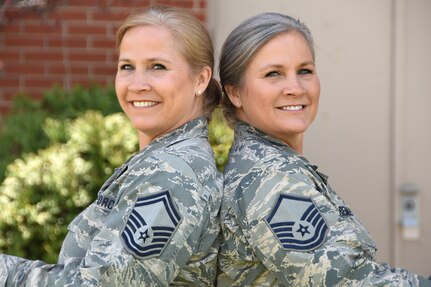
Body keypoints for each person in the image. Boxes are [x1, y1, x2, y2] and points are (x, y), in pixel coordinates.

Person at [0, 6, 222, 286]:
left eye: (158, 67)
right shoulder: (160, 159)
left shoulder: (171, 176)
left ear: (200, 79)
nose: (138, 84)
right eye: (127, 66)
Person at [217, 12, 431, 286]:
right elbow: (347, 281)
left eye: (304, 71)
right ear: (235, 93)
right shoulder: (271, 179)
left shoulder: (268, 163)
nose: (295, 87)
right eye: (274, 74)